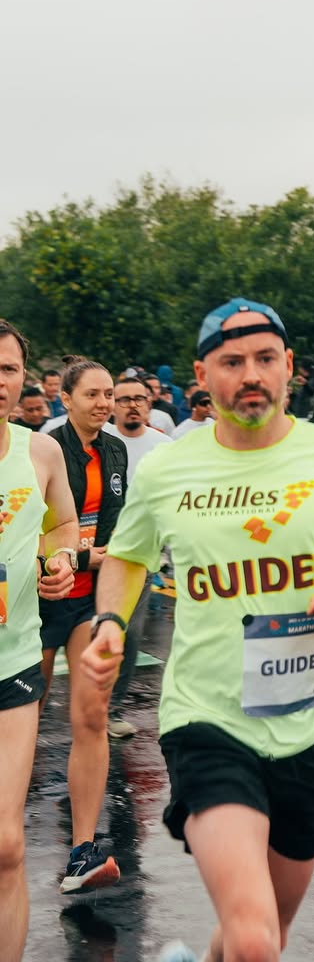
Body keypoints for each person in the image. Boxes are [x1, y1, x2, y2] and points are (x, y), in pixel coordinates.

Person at [82, 298, 314, 962]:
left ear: (289, 367)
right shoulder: (167, 468)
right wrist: (109, 622)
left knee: (263, 933)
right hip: (206, 720)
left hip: (313, 724)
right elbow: (125, 556)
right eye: (232, 362)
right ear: (201, 375)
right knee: (256, 939)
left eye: (265, 359)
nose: (251, 374)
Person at [0, 319, 78, 962]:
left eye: (6, 369)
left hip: (14, 662)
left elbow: (64, 525)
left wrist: (62, 562)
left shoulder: (40, 452)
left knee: (7, 846)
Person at [39, 357, 129, 893]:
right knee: (25, 710)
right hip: (40, 595)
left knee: (91, 712)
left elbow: (119, 529)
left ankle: (83, 850)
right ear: (65, 399)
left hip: (88, 598)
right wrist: (87, 554)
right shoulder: (46, 449)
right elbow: (42, 528)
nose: (103, 403)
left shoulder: (114, 449)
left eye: (109, 394)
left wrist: (93, 557)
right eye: (92, 394)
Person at [104, 374, 174, 740]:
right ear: (112, 404)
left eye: (139, 398)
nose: (132, 404)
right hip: (96, 555)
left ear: (150, 404)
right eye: (124, 398)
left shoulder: (163, 446)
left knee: (130, 636)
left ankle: (112, 710)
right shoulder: (101, 441)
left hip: (140, 558)